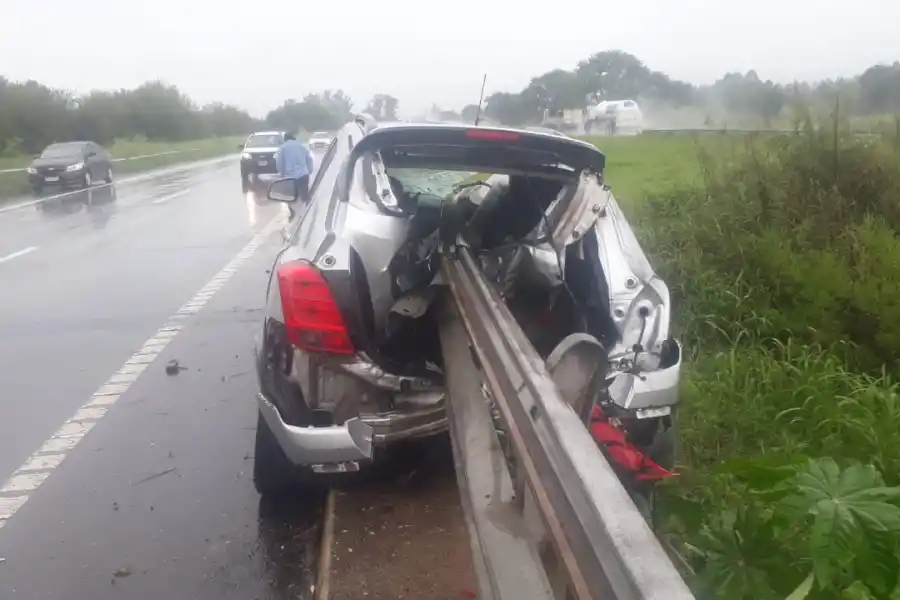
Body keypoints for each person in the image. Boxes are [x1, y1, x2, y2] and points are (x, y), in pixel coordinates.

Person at [274, 132, 316, 205]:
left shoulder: (283, 148)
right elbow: (309, 159)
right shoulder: (302, 146)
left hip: (290, 177)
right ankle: (305, 211)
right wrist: (309, 170)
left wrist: (282, 174)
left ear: (285, 139)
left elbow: (279, 162)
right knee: (305, 197)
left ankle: (293, 214)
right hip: (303, 175)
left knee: (291, 198)